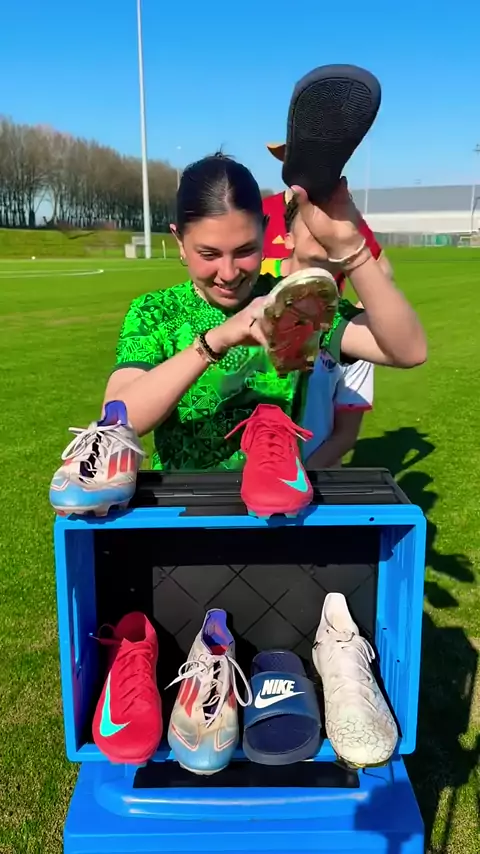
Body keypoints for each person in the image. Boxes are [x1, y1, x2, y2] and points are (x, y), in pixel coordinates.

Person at [50, 152, 426, 516]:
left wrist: (351, 250)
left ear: (265, 230)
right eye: (209, 254)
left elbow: (408, 351)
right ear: (179, 241)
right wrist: (216, 341)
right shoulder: (156, 312)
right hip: (181, 511)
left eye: (245, 250)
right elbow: (118, 418)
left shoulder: (293, 300)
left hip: (277, 512)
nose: (229, 273)